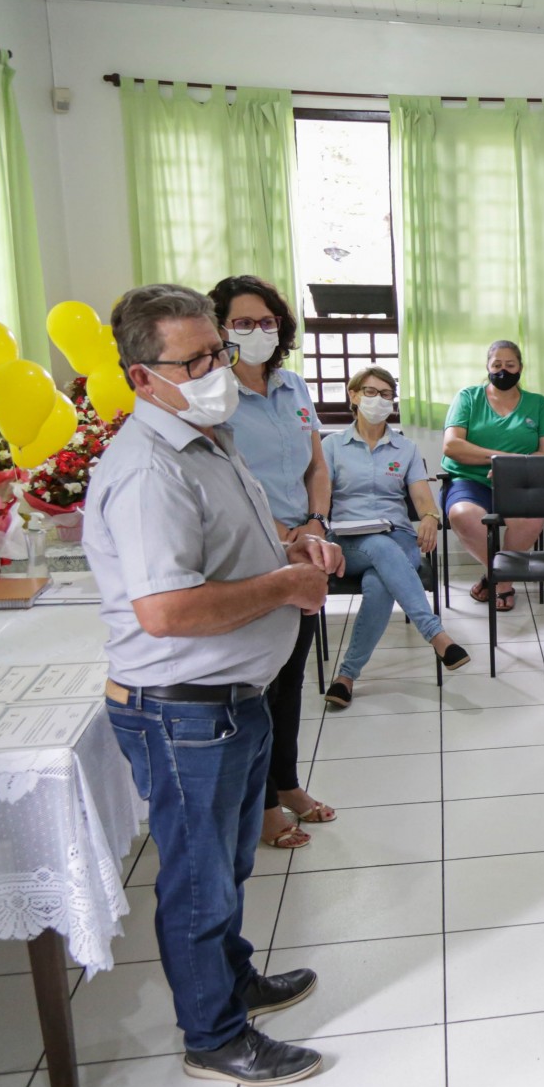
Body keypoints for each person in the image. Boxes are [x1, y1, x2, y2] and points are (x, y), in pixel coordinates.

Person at [86, 283, 340, 1086]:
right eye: (193, 359)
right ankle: (213, 1037)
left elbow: (243, 538)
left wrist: (297, 544)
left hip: (233, 698)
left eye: (217, 352)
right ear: (140, 377)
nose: (216, 369)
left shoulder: (206, 434)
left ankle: (234, 982)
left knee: (227, 865)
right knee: (197, 881)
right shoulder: (149, 468)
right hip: (182, 710)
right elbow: (163, 610)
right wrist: (285, 591)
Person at [212, 274, 332, 851]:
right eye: (242, 322)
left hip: (302, 549)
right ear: (219, 330)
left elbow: (317, 464)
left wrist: (314, 522)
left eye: (267, 321)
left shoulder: (294, 387)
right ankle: (258, 805)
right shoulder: (214, 396)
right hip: (248, 557)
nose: (258, 331)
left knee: (291, 679)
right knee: (255, 686)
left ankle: (287, 783)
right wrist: (278, 532)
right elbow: (223, 482)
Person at [322, 368, 470, 708]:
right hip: (349, 541)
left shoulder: (405, 447)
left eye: (387, 394)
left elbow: (421, 499)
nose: (379, 400)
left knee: (379, 583)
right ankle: (436, 634)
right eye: (371, 392)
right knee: (378, 545)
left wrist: (431, 517)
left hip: (398, 536)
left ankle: (346, 678)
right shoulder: (331, 446)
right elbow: (319, 498)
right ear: (354, 396)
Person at [437, 341, 544, 613]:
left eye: (510, 365)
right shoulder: (468, 397)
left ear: (521, 368)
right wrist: (497, 459)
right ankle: (503, 583)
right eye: (497, 365)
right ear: (487, 367)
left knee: (532, 519)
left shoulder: (537, 404)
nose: (503, 370)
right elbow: (452, 446)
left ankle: (495, 577)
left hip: (518, 483)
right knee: (461, 514)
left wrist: (511, 469)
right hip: (470, 481)